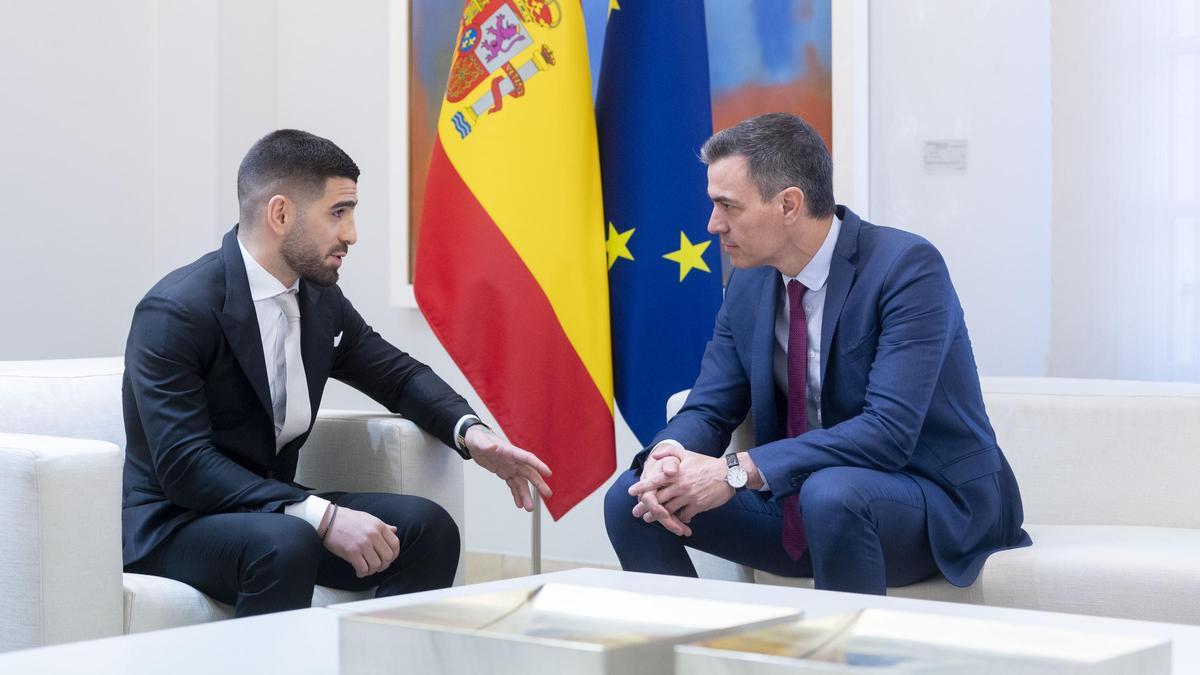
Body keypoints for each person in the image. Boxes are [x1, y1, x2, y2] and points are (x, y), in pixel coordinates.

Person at [122, 129, 552, 616]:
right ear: (280, 214)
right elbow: (185, 466)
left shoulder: (319, 299)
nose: (351, 234)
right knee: (285, 542)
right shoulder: (176, 311)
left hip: (270, 512)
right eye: (338, 212)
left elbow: (397, 375)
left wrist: (472, 435)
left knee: (426, 529)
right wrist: (320, 515)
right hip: (177, 522)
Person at [604, 113, 1031, 594]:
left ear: (788, 204)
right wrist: (670, 455)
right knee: (634, 497)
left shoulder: (907, 268)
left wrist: (736, 470)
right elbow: (709, 405)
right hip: (804, 502)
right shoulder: (747, 282)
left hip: (930, 502)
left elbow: (887, 433)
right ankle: (688, 660)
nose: (712, 225)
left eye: (728, 206)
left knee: (831, 494)